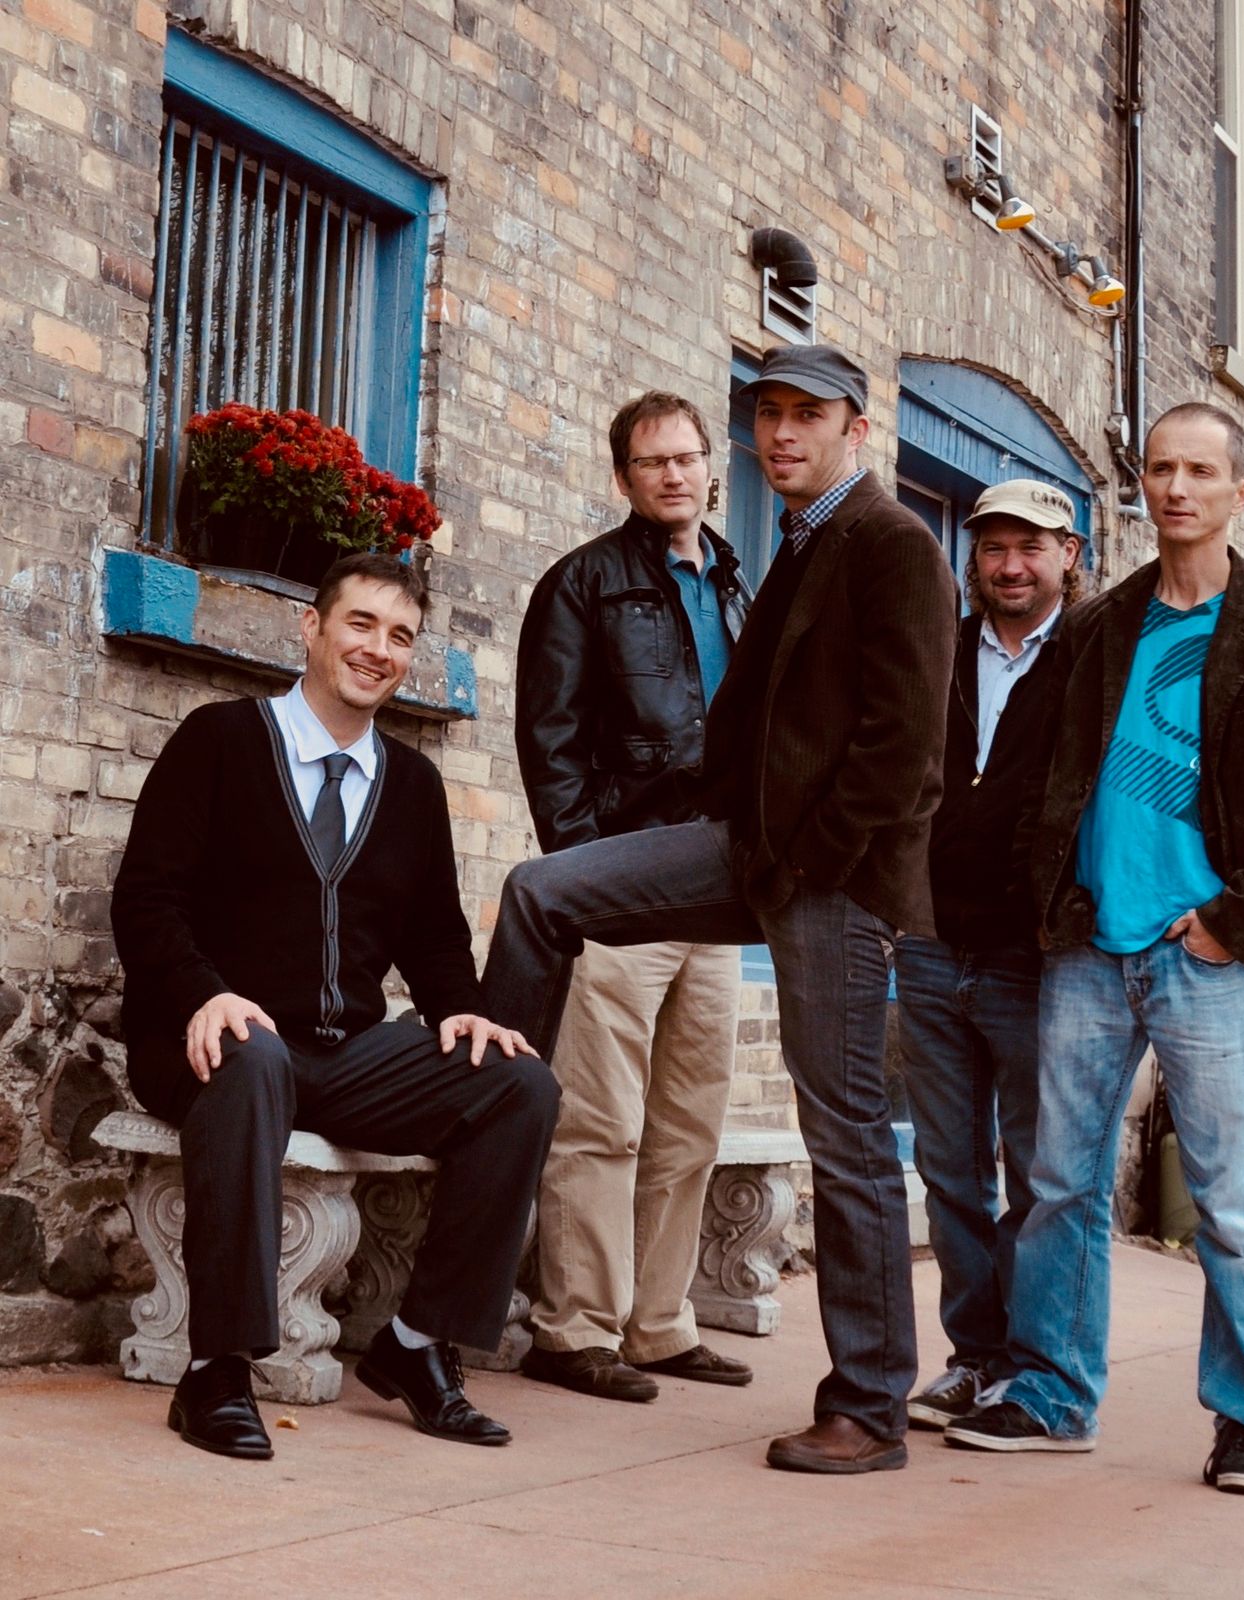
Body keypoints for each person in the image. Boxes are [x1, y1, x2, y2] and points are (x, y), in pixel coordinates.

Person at [483, 344, 959, 1473]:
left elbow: (905, 746)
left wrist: (809, 860)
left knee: (842, 1133)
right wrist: (704, 844)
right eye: (768, 414)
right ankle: (482, 1130)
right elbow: (737, 734)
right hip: (744, 853)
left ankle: (869, 1408)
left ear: (856, 428)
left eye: (807, 415)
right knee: (541, 892)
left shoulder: (889, 543)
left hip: (829, 881)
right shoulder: (794, 544)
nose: (781, 434)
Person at [943, 404, 1244, 1498]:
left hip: (1205, 958)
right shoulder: (1100, 626)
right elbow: (1047, 782)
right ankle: (1052, 1394)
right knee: (1059, 1186)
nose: (1176, 488)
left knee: (1229, 1207)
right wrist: (1052, 895)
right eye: (1161, 468)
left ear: (1239, 493)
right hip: (1087, 947)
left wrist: (1232, 921)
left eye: (1200, 472)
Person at [111, 552, 560, 1461]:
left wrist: (461, 1008)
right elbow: (146, 901)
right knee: (254, 1054)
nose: (377, 649)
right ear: (311, 627)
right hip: (210, 1041)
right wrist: (206, 993)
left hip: (343, 1054)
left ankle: (418, 1344)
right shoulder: (219, 740)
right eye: (360, 623)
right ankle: (216, 1370)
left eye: (400, 636)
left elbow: (434, 940)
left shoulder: (413, 786)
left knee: (519, 1083)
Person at [515, 391, 753, 1403]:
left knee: (688, 1124)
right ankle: (574, 1329)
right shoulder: (582, 583)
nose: (672, 474)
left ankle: (659, 1324)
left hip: (717, 891)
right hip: (621, 883)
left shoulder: (738, 584)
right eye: (651, 461)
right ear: (623, 477)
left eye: (686, 457)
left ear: (709, 468)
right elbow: (551, 743)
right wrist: (586, 876)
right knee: (600, 1122)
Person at [896, 479, 1083, 1430]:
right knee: (949, 1174)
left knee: (1039, 1177)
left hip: (1031, 957)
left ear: (1068, 556)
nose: (1010, 567)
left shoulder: (1090, 656)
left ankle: (1030, 1366)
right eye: (994, 549)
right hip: (930, 943)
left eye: (1030, 548)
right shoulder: (942, 644)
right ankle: (972, 1357)